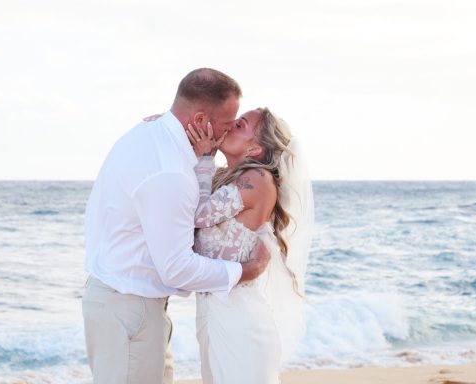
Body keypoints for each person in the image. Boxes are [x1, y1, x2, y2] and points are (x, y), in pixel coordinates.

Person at [82, 68, 271, 384]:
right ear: (199, 121)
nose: (227, 132)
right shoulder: (170, 171)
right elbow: (177, 269)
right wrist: (244, 271)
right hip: (130, 311)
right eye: (227, 124)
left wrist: (205, 158)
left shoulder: (150, 136)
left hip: (127, 305)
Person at [187, 107, 314, 383]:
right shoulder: (225, 177)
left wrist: (205, 157)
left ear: (255, 149)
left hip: (239, 320)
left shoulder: (257, 179)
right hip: (213, 313)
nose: (231, 125)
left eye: (240, 125)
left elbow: (195, 214)